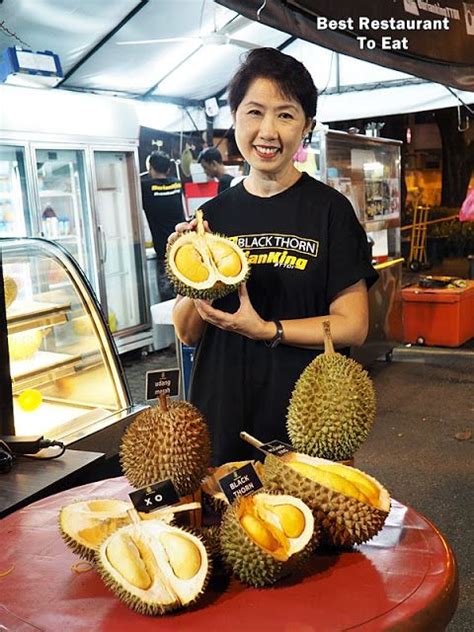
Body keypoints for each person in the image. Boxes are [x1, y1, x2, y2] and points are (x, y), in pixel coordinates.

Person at [172, 48, 378, 466]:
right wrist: (192, 268)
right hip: (223, 413)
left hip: (308, 422)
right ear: (234, 120)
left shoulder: (329, 211)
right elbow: (187, 333)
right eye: (254, 112)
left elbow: (353, 326)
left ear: (307, 127)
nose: (267, 131)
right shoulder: (212, 215)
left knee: (306, 530)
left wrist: (268, 329)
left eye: (285, 115)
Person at [141, 150, 185, 301]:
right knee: (185, 292)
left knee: (168, 297)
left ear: (150, 168)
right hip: (183, 244)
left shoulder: (145, 188)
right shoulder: (177, 184)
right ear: (168, 169)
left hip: (163, 249)